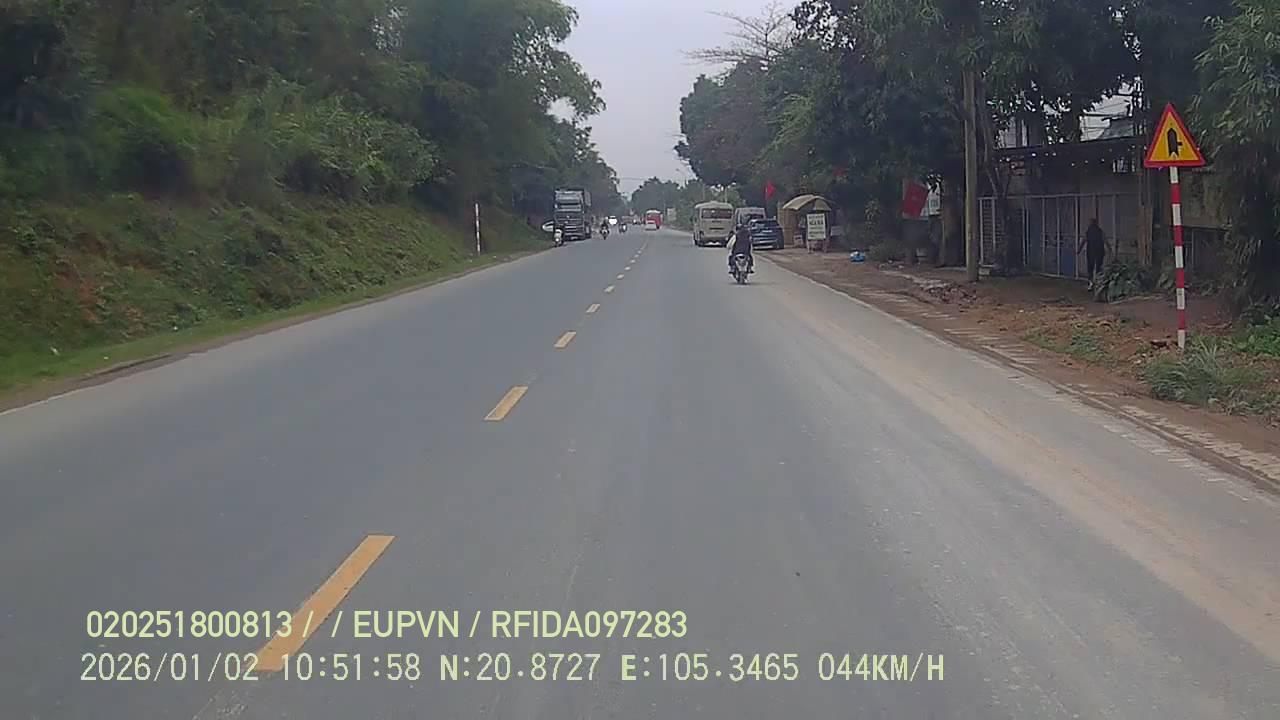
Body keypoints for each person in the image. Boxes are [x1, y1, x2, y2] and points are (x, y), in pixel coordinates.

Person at [1078, 218, 1107, 289]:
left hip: (1091, 252)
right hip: (1099, 252)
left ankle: (1091, 283)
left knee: (1090, 268)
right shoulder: (1100, 231)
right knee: (1098, 268)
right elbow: (1105, 240)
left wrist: (1079, 250)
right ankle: (1097, 283)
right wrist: (1110, 250)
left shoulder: (1088, 232)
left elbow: (1083, 241)